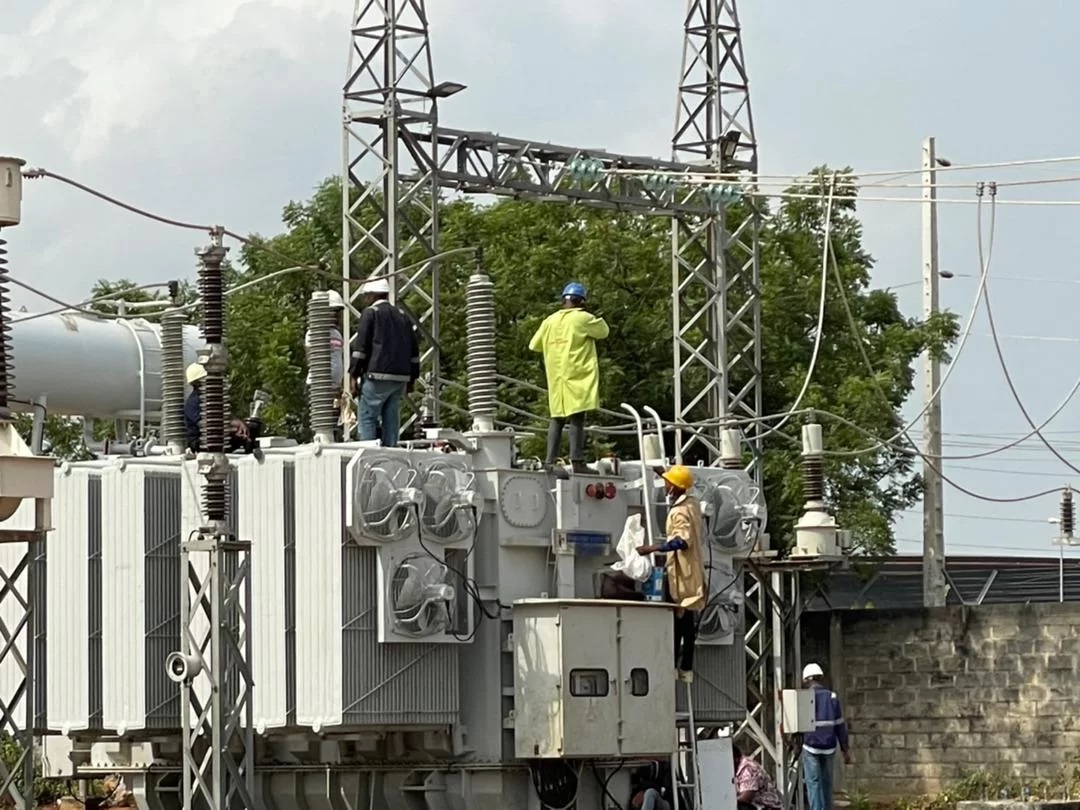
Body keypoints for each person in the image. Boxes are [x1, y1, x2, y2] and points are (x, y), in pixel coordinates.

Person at [527, 281, 609, 477]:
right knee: (577, 418)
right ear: (582, 302)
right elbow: (604, 331)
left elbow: (534, 345)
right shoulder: (583, 318)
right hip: (577, 375)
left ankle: (549, 461)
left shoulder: (549, 321)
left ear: (564, 300)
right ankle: (577, 461)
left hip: (557, 377)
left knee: (557, 418)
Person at [634, 464, 706, 683]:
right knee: (685, 619)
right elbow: (683, 483)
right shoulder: (692, 503)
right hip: (692, 568)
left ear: (674, 487)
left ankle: (679, 666)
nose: (664, 486)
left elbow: (682, 541)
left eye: (667, 483)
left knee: (681, 620)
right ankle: (683, 667)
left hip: (683, 571)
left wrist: (652, 548)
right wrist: (664, 472)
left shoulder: (680, 511)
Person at [348, 276, 420, 447]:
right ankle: (391, 451)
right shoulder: (403, 317)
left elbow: (361, 349)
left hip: (376, 376)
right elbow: (414, 351)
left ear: (372, 295)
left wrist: (353, 375)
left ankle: (369, 452)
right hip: (400, 378)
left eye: (366, 296)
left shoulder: (371, 313)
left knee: (368, 417)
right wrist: (412, 379)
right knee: (391, 418)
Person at [801, 662, 851, 810]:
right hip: (829, 746)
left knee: (813, 783)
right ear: (821, 678)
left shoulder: (805, 697)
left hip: (810, 746)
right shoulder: (832, 696)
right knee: (827, 782)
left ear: (806, 680)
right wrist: (845, 749)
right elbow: (840, 724)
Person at [183, 363, 260, 454]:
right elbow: (208, 425)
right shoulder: (193, 402)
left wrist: (239, 424)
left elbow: (227, 416)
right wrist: (233, 427)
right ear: (198, 382)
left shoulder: (213, 398)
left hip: (218, 436)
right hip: (201, 442)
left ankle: (249, 446)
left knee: (253, 426)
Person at [304, 289, 347, 439]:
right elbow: (312, 359)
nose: (336, 317)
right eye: (334, 312)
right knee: (322, 425)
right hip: (320, 388)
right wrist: (326, 385)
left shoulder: (337, 333)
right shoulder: (313, 333)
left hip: (335, 386)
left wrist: (339, 385)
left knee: (334, 426)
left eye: (338, 313)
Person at [733, 744, 783, 810]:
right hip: (757, 806)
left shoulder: (748, 768)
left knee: (740, 805)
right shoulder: (737, 769)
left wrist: (728, 803)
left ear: (735, 759)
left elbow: (746, 797)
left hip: (767, 807)